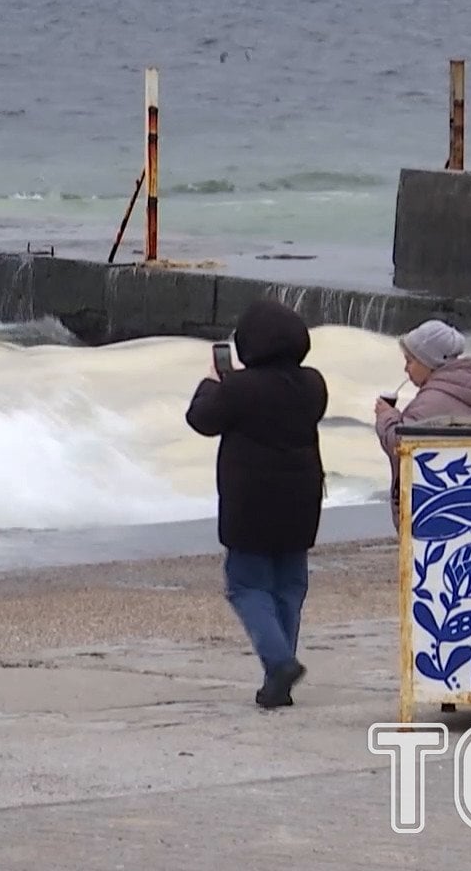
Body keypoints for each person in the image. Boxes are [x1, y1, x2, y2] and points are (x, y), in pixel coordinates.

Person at [185, 298, 328, 710]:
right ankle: (278, 681)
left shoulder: (239, 389)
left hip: (251, 503)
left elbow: (201, 419)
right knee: (289, 587)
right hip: (301, 500)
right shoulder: (313, 384)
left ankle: (280, 663)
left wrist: (212, 383)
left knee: (247, 585)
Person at [373, 319, 471, 530]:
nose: (406, 369)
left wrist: (386, 416)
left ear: (429, 362)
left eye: (410, 361)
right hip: (465, 498)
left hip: (432, 508)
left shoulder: (433, 400)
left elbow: (399, 444)